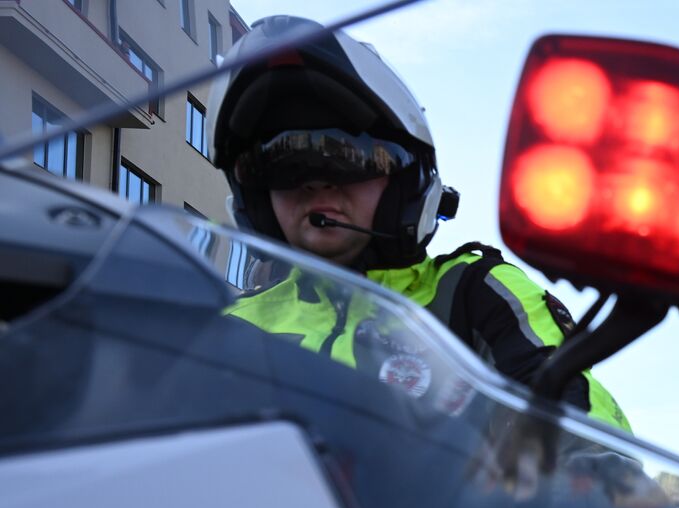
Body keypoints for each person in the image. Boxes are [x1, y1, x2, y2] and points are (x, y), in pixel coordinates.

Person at [208, 15, 630, 431]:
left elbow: (576, 427)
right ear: (255, 198)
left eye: (347, 157)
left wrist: (595, 474)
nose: (316, 184)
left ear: (404, 181)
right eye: (282, 165)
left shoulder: (471, 294)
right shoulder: (229, 325)